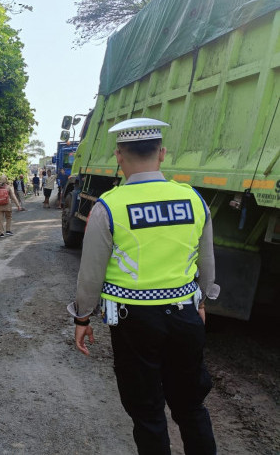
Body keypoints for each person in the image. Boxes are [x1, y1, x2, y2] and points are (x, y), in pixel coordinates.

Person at [68, 118, 219, 455]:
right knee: (191, 408)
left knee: (148, 414)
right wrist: (203, 302)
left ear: (119, 156)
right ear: (162, 154)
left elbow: (90, 275)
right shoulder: (194, 200)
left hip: (134, 325)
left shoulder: (108, 206)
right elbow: (206, 264)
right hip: (185, 319)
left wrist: (82, 318)